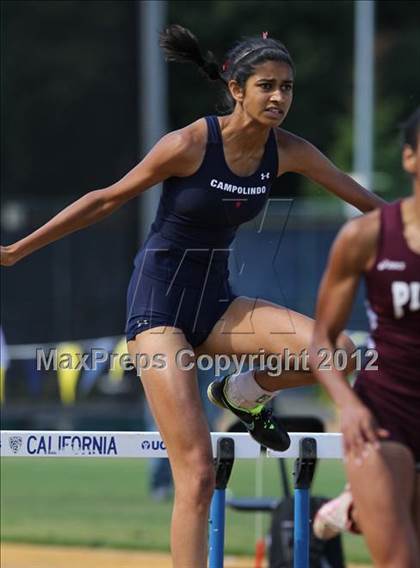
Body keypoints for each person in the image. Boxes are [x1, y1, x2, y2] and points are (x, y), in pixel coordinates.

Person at [0, 25, 385, 568]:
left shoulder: (290, 150)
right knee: (199, 473)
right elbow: (105, 200)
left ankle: (243, 393)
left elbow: (370, 204)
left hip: (218, 306)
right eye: (267, 86)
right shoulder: (189, 144)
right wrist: (17, 250)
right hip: (159, 307)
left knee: (338, 350)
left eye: (288, 87)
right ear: (237, 89)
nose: (279, 98)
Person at [309, 107, 420, 567]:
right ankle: (364, 499)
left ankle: (356, 507)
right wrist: (347, 404)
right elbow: (321, 340)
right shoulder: (368, 236)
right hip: (383, 414)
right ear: (410, 158)